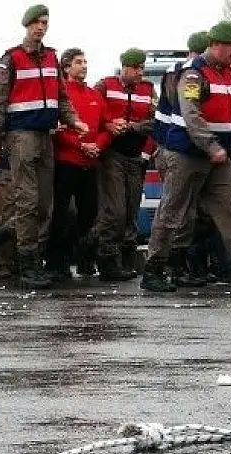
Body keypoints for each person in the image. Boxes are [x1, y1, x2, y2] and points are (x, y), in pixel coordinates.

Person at [141, 20, 231, 292]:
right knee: (172, 212)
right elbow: (191, 114)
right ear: (215, 45)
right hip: (189, 154)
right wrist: (211, 146)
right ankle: (153, 269)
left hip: (219, 157)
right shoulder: (193, 75)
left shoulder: (227, 74)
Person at [0, 4, 87, 288]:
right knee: (28, 202)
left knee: (45, 205)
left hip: (45, 136)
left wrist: (73, 119)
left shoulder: (53, 57)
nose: (41, 27)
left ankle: (5, 244)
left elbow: (61, 97)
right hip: (21, 136)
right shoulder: (12, 59)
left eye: (45, 22)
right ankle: (26, 263)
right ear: (27, 25)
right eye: (36, 23)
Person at [92, 47, 154, 281]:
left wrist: (132, 127)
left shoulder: (148, 90)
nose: (140, 72)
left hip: (135, 156)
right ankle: (107, 259)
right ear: (125, 68)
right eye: (136, 68)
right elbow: (93, 114)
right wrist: (108, 125)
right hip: (112, 155)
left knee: (131, 210)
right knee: (114, 210)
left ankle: (126, 258)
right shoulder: (105, 86)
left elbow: (153, 121)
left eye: (142, 68)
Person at [47, 48, 104, 284]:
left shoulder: (94, 95)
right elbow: (56, 129)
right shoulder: (61, 95)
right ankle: (56, 262)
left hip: (90, 165)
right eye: (78, 62)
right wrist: (81, 146)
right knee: (61, 215)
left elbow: (105, 127)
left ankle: (85, 260)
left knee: (89, 215)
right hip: (66, 163)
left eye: (86, 61)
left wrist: (97, 144)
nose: (84, 65)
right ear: (66, 67)